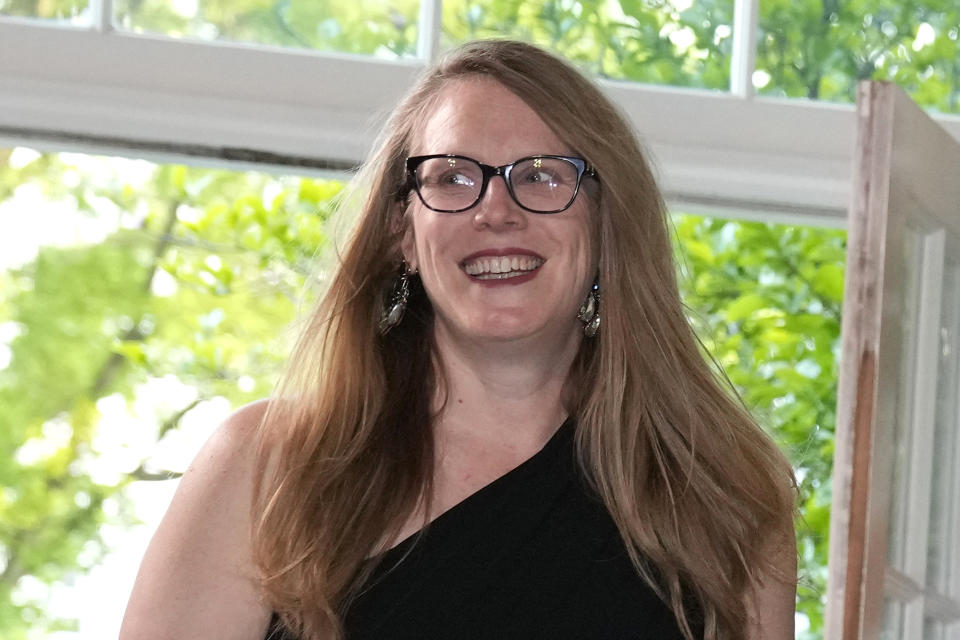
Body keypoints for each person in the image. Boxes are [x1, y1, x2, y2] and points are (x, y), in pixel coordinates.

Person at [120, 40, 797, 640]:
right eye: (452, 178)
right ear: (401, 233)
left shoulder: (727, 501)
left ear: (607, 224)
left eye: (541, 175)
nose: (496, 212)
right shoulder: (264, 469)